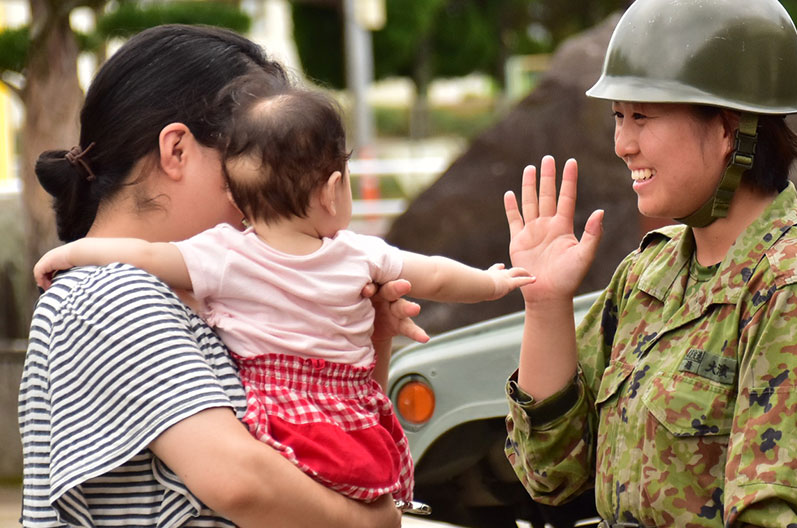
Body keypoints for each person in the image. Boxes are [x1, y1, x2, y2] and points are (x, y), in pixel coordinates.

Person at [33, 76, 534, 506]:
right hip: (350, 414)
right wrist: (494, 283)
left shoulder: (223, 255)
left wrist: (72, 253)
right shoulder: (359, 254)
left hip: (276, 414)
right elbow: (440, 276)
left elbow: (143, 254)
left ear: (237, 193)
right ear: (332, 188)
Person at [502, 0, 797, 527]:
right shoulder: (648, 273)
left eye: (642, 116)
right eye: (618, 116)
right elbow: (550, 473)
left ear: (729, 128)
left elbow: (772, 516)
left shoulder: (794, 293)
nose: (622, 143)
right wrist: (545, 306)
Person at [19, 24, 428, 528]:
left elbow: (323, 453)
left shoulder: (204, 290)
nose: (281, 196)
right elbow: (241, 481)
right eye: (258, 164)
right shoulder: (111, 292)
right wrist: (373, 522)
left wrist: (367, 340)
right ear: (177, 151)